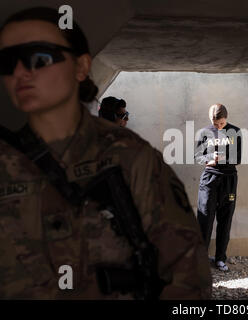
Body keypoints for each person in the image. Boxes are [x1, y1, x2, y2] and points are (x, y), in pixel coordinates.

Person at [0, 7, 212, 299]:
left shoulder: (129, 156)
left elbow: (188, 275)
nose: (20, 72)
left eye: (39, 58)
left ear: (80, 67)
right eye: (7, 62)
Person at [195, 104, 241, 271]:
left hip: (229, 180)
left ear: (226, 119)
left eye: (221, 124)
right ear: (211, 120)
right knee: (205, 218)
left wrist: (222, 158)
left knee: (225, 219)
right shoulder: (204, 133)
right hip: (209, 179)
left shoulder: (235, 132)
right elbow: (198, 156)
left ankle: (220, 258)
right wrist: (210, 158)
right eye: (215, 124)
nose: (218, 127)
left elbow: (238, 158)